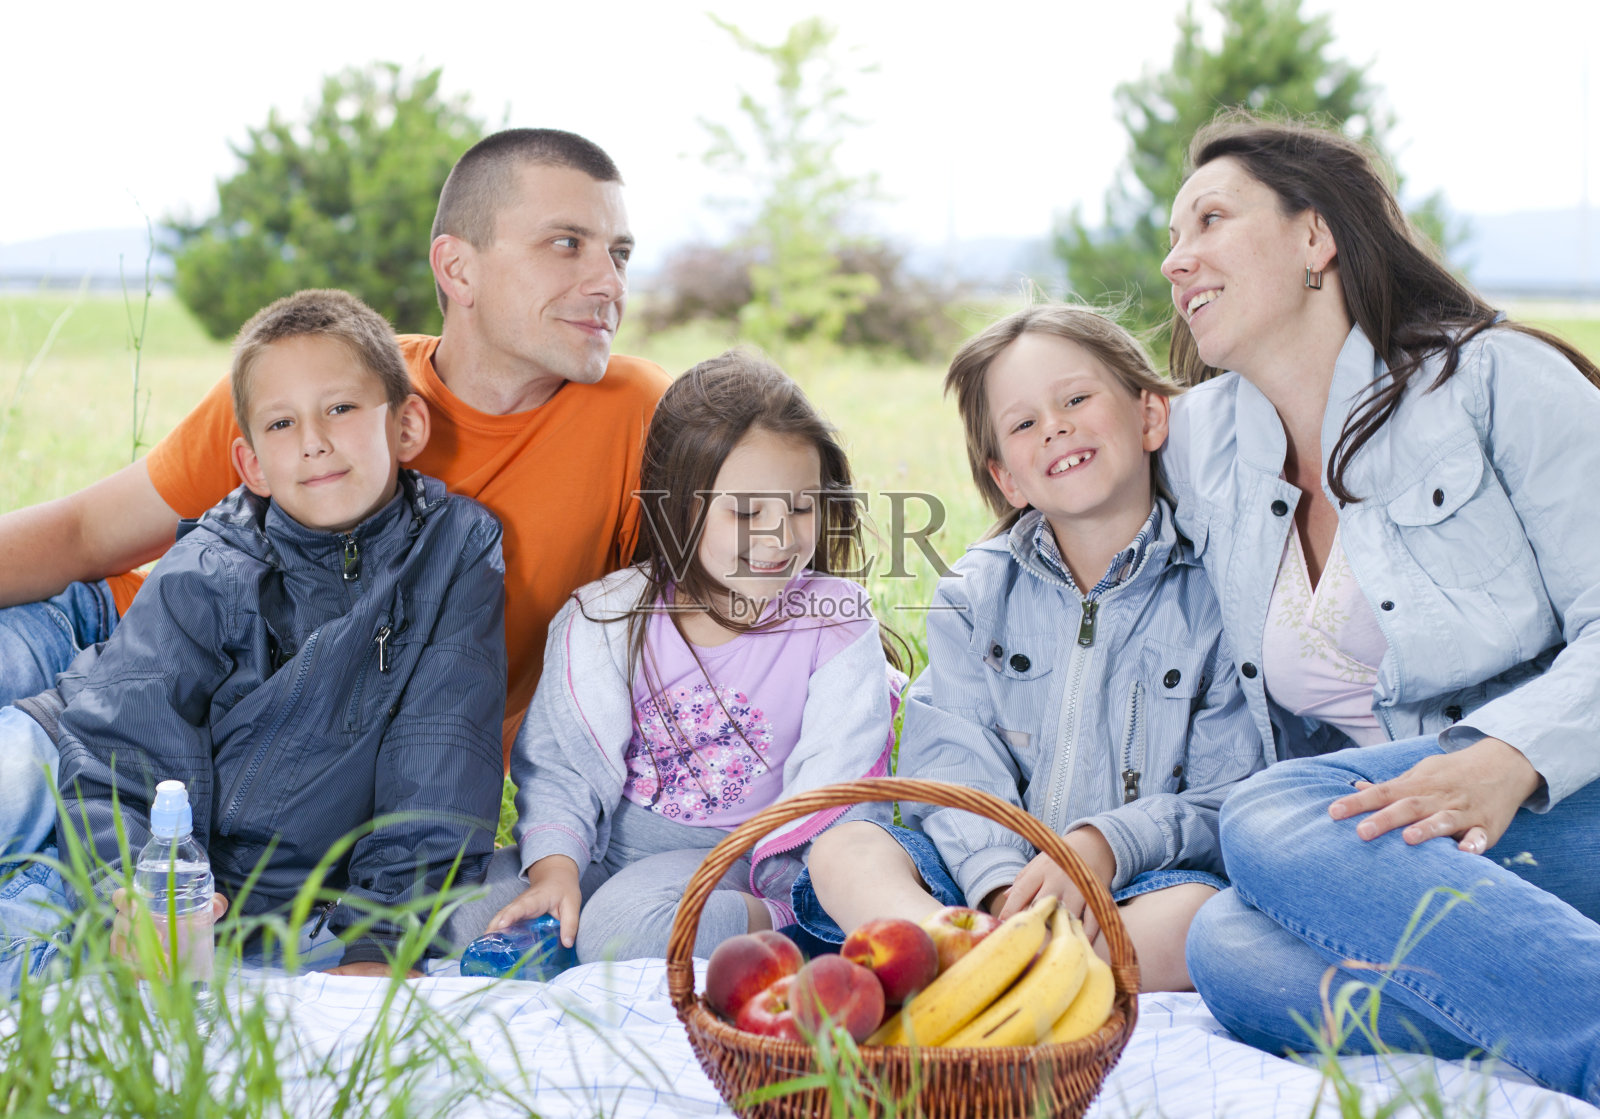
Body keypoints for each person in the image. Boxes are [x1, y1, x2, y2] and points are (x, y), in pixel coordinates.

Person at [1159, 113, 1600, 1105]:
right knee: (1228, 945)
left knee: (1270, 813)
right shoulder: (1203, 444)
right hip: (1398, 861)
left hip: (1563, 798)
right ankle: (1556, 976)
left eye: (1210, 220)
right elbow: (1068, 462)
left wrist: (1508, 756)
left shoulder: (1496, 380)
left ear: (1314, 237)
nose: (1175, 261)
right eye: (1172, 239)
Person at [0, 127, 668, 761]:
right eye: (566, 244)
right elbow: (85, 533)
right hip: (109, 639)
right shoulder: (314, 382)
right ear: (457, 269)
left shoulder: (641, 415)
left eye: (620, 254)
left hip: (235, 752)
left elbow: (701, 639)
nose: (611, 284)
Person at [0, 289, 507, 989]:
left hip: (243, 898)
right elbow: (127, 736)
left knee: (44, 966)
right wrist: (140, 891)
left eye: (341, 408)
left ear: (406, 425)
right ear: (252, 465)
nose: (314, 440)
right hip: (80, 769)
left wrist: (383, 939)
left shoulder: (454, 554)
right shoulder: (213, 562)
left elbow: (440, 757)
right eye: (282, 422)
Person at [798, 305, 1261, 991]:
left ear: (1150, 416)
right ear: (1008, 478)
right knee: (844, 848)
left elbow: (1227, 795)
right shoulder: (973, 596)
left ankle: (999, 975)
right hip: (978, 885)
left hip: (1129, 885)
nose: (1055, 428)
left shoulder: (1217, 595)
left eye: (1075, 399)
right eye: (1023, 424)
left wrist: (1104, 845)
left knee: (1199, 914)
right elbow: (954, 764)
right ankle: (971, 954)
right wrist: (995, 887)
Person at [451, 352, 908, 964]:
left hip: (738, 862)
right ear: (680, 508)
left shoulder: (833, 624)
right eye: (747, 511)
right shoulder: (605, 617)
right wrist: (557, 872)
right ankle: (576, 936)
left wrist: (791, 883)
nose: (780, 535)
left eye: (802, 507)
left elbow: (836, 785)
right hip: (606, 848)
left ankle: (792, 923)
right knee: (457, 912)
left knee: (624, 927)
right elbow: (561, 767)